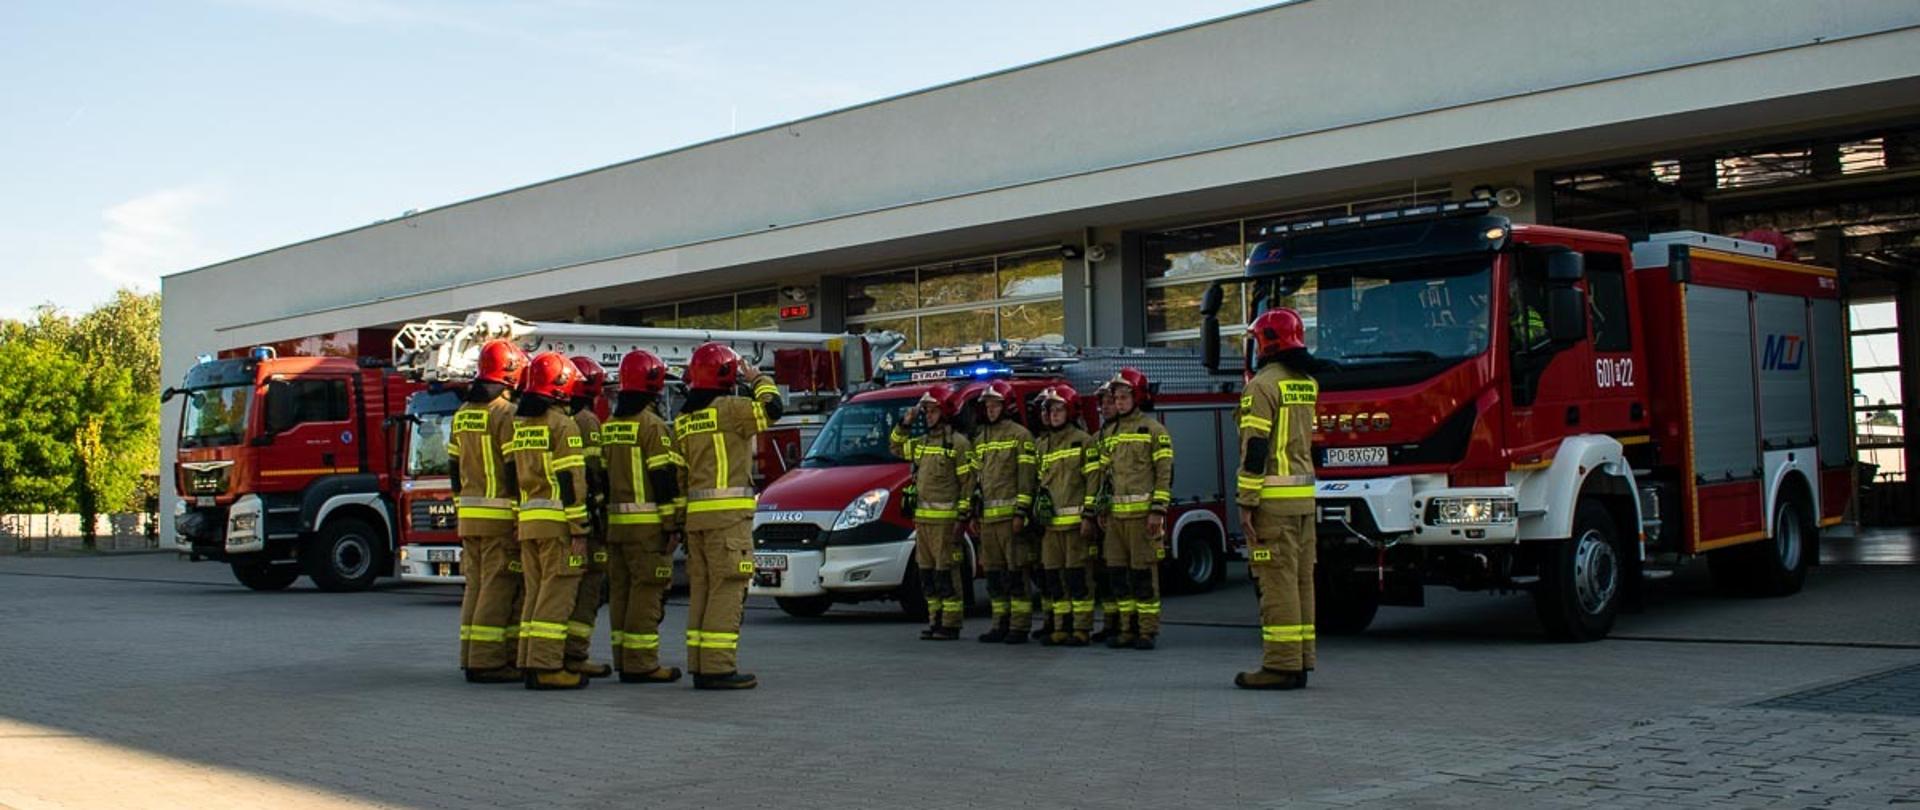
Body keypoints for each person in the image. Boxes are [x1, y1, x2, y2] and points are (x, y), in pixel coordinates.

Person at [676, 343, 784, 690]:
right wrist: (757, 378)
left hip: (697, 520)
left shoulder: (684, 419)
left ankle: (700, 663)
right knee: (728, 589)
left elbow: (679, 476)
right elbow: (774, 409)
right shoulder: (732, 408)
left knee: (703, 591)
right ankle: (718, 668)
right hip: (728, 520)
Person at [1234, 308, 1319, 691]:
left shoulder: (1262, 386)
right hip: (1303, 499)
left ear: (1268, 342)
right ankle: (1300, 658)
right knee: (1302, 580)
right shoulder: (1305, 383)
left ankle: (1280, 666)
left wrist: (1247, 500)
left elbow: (1256, 448)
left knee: (1276, 583)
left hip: (1273, 501)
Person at [601, 349, 687, 684]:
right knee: (647, 593)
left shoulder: (610, 426)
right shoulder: (651, 427)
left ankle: (623, 658)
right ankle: (642, 663)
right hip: (647, 527)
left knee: (621, 593)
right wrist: (672, 524)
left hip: (616, 527)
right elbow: (663, 479)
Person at [510, 352, 592, 690]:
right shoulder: (563, 425)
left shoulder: (522, 426)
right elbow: (572, 481)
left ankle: (530, 661)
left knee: (535, 595)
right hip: (558, 523)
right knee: (556, 595)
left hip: (529, 522)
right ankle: (547, 668)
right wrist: (580, 530)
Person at [449, 339, 526, 683]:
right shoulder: (505, 414)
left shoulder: (462, 414)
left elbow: (453, 468)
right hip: (498, 517)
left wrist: (458, 507)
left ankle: (470, 653)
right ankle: (488, 661)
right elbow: (513, 469)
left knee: (475, 586)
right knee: (497, 587)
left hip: (469, 515)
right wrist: (517, 513)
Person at [1086, 368, 1173, 650]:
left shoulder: (1153, 431)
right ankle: (1126, 629)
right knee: (1119, 577)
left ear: (1137, 397)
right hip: (1114, 520)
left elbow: (1164, 475)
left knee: (1143, 576)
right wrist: (1100, 508)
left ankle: (1147, 631)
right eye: (1116, 397)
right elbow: (1102, 475)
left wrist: (1157, 511)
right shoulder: (1107, 434)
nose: (1119, 402)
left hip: (1141, 518)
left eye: (1124, 397)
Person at [889, 384, 975, 641]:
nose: (928, 416)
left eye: (932, 411)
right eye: (926, 411)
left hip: (946, 525)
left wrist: (962, 519)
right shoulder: (922, 443)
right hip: (923, 523)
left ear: (945, 411)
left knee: (946, 573)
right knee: (927, 573)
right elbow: (895, 447)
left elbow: (967, 485)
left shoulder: (958, 445)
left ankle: (951, 624)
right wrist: (906, 422)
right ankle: (935, 620)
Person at [1031, 384, 1100, 646]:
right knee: (1054, 580)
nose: (1054, 414)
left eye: (1059, 409)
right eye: (1050, 409)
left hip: (1075, 526)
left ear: (1069, 410)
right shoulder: (1041, 445)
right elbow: (1038, 483)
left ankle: (1081, 629)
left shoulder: (1084, 441)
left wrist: (1089, 516)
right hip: (1050, 529)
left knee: (1078, 578)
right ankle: (1061, 627)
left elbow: (1093, 480)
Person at [969, 380, 1037, 644]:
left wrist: (1021, 512)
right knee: (995, 577)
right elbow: (976, 480)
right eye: (987, 405)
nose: (990, 410)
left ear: (1006, 405)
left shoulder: (1020, 436)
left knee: (1016, 574)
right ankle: (1000, 623)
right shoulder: (980, 439)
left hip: (1011, 520)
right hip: (988, 521)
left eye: (995, 405)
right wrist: (974, 513)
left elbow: (1027, 479)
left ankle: (1019, 626)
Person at [562, 356, 612, 679]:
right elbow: (594, 473)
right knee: (589, 586)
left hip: (558, 518)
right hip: (586, 521)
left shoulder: (551, 419)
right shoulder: (587, 421)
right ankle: (575, 654)